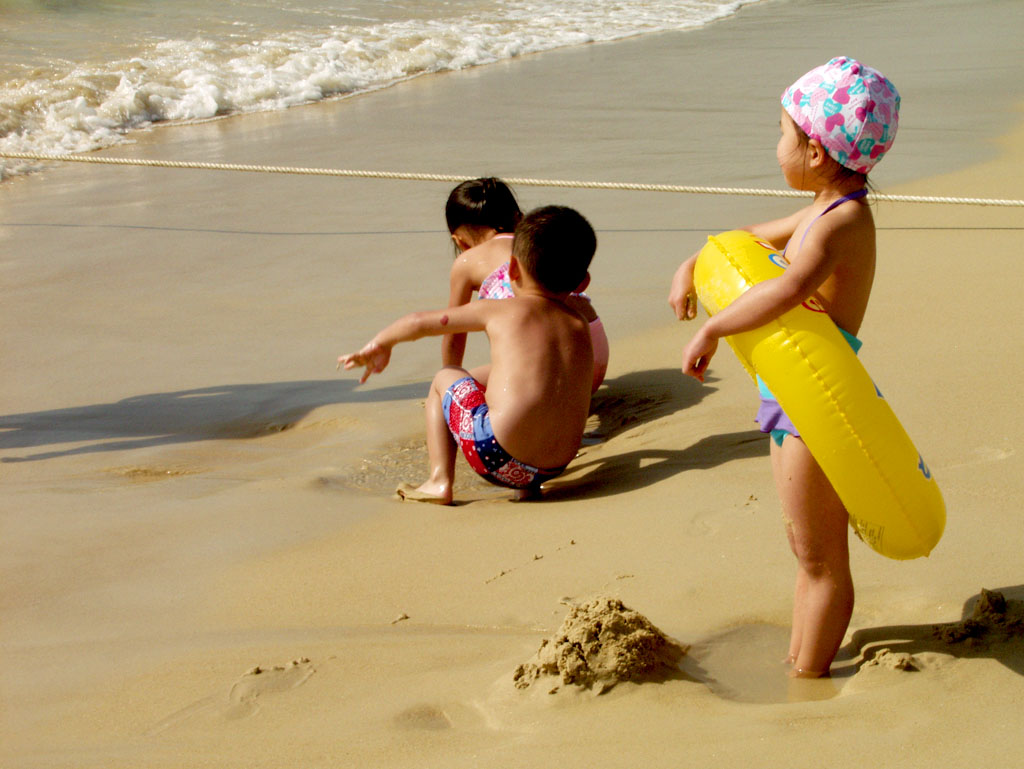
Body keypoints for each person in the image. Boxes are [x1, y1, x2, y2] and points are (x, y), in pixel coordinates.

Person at [668, 57, 900, 678]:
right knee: (804, 548)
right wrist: (693, 262)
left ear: (818, 152)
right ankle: (799, 656)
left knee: (822, 556)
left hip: (819, 400)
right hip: (789, 389)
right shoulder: (823, 207)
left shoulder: (844, 220)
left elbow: (791, 285)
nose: (776, 146)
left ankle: (810, 679)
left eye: (782, 132)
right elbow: (748, 238)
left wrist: (715, 326)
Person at [339, 205, 597, 505]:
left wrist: (380, 344)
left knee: (445, 376)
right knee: (512, 380)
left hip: (496, 458)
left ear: (512, 269)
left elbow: (420, 322)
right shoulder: (580, 324)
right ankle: (527, 489)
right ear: (583, 282)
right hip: (555, 465)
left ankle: (439, 481)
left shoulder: (499, 311)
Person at [442, 178, 609, 393]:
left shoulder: (466, 263)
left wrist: (449, 374)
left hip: (543, 373)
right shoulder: (539, 243)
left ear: (460, 241)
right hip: (593, 360)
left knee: (452, 385)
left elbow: (453, 333)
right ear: (518, 218)